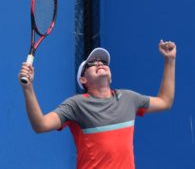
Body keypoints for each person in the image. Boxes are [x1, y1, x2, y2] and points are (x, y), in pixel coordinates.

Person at [18, 39, 176, 169]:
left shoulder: (129, 98)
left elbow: (165, 101)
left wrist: (170, 60)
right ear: (83, 80)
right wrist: (28, 88)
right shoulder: (76, 105)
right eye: (92, 63)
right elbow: (40, 125)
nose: (100, 63)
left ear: (110, 76)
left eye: (104, 62)